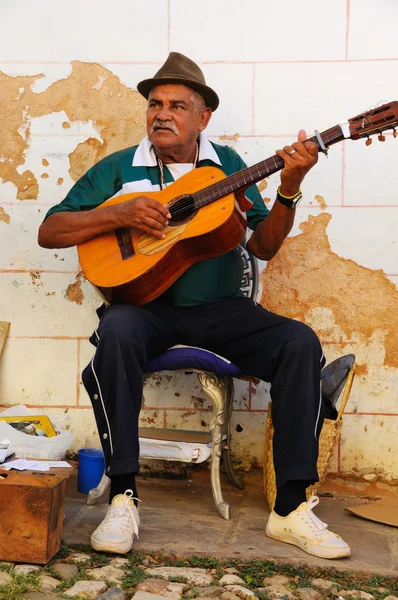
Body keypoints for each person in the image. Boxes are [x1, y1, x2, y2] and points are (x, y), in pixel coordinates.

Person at [38, 52, 350, 560]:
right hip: (145, 308)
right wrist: (118, 212)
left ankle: (292, 509)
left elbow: (264, 246)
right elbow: (51, 230)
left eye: (177, 105)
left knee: (299, 342)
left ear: (202, 118)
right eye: (155, 104)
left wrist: (290, 189)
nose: (162, 114)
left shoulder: (227, 167)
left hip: (221, 310)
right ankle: (123, 496)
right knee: (116, 332)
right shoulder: (120, 167)